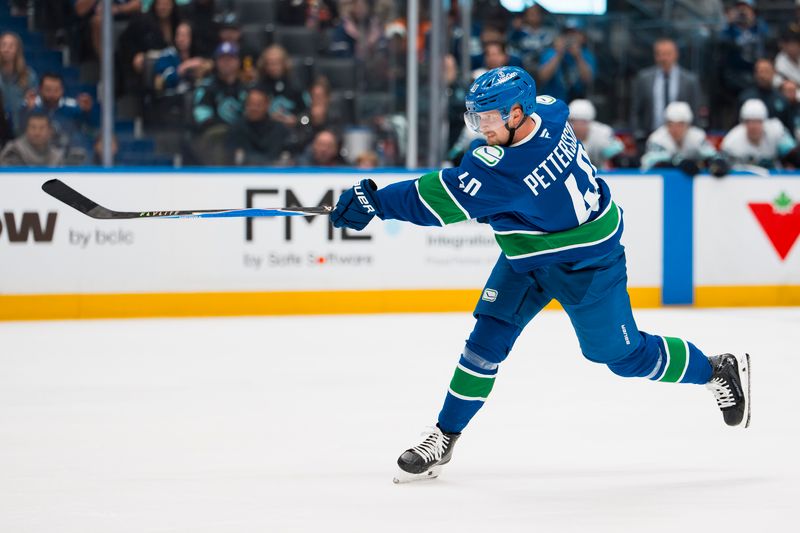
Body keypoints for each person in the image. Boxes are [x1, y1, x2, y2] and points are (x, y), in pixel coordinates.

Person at [329, 66, 751, 484]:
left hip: (587, 265)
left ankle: (716, 369)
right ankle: (444, 435)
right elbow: (537, 126)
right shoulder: (549, 111)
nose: (479, 128)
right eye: (475, 117)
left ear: (515, 114)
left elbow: (433, 199)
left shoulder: (505, 169)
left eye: (488, 119)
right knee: (485, 344)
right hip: (528, 256)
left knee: (624, 358)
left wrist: (374, 201)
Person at [631, 38, 703, 143]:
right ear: (655, 56)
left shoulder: (690, 80)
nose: (664, 58)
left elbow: (695, 111)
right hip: (649, 136)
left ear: (676, 54)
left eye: (668, 53)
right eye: (660, 54)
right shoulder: (644, 78)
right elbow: (636, 110)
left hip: (681, 139)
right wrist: (637, 134)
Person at [190, 42, 248, 165]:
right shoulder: (206, 88)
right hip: (215, 136)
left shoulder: (247, 88)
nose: (226, 63)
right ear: (216, 62)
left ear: (238, 61)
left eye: (230, 59)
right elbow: (203, 118)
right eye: (223, 59)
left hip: (243, 134)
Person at [19, 72, 98, 158]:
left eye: (56, 90)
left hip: (67, 157)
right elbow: (19, 131)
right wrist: (28, 111)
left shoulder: (73, 107)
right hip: (35, 157)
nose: (52, 94)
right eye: (48, 90)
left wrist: (88, 112)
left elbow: (92, 130)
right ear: (40, 90)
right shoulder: (31, 106)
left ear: (62, 90)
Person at [640, 101, 724, 175]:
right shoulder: (657, 139)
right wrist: (678, 162)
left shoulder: (697, 136)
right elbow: (649, 160)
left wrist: (717, 162)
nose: (675, 129)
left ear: (688, 125)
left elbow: (712, 154)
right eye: (670, 124)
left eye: (680, 125)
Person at [721, 98, 800, 169]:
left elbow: (793, 154)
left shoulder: (776, 132)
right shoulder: (731, 141)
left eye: (758, 121)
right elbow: (721, 164)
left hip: (773, 180)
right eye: (749, 122)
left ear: (764, 122)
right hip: (743, 182)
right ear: (743, 123)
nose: (754, 126)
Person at [226, 88, 291, 165]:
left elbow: (287, 155)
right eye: (250, 104)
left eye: (258, 105)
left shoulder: (279, 129)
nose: (254, 108)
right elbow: (230, 156)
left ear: (267, 105)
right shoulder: (236, 128)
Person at [536, 18, 595, 102]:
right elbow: (542, 77)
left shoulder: (586, 55)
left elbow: (588, 80)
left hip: (576, 103)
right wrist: (559, 54)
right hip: (552, 102)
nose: (570, 36)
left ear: (583, 37)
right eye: (567, 33)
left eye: (574, 33)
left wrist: (578, 57)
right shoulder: (551, 53)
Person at [255, 44, 307, 129]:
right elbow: (251, 115)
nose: (273, 67)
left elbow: (307, 116)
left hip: (293, 131)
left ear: (284, 64)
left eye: (276, 63)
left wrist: (297, 120)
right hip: (265, 131)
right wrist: (268, 118)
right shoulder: (259, 88)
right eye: (269, 64)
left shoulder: (296, 86)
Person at [567, 99, 624, 169]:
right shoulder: (564, 135)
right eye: (574, 121)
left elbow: (619, 149)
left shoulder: (602, 133)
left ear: (590, 122)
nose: (579, 126)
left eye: (583, 122)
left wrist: (609, 151)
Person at [0, 32, 38, 133]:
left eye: (11, 46)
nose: (6, 49)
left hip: (21, 127)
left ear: (18, 50)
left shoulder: (29, 76)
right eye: (3, 45)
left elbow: (33, 103)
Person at [0, 112, 64, 166]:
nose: (37, 132)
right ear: (26, 129)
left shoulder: (56, 156)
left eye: (42, 128)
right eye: (33, 127)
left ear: (50, 131)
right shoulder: (14, 150)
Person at [507, 4, 557, 72]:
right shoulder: (518, 32)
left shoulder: (549, 33)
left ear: (541, 16)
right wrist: (514, 30)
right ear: (525, 16)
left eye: (537, 13)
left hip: (542, 68)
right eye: (531, 13)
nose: (534, 16)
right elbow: (510, 48)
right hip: (521, 67)